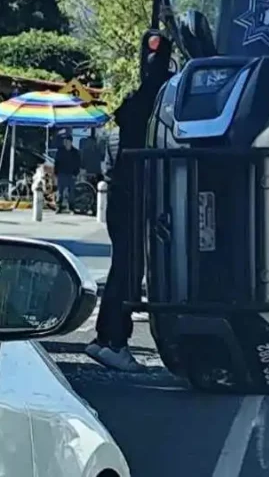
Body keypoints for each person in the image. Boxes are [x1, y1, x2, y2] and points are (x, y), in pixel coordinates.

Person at [86, 64, 170, 372]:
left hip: (121, 196)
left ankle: (107, 339)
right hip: (133, 197)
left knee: (123, 268)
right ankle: (115, 341)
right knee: (128, 270)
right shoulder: (152, 110)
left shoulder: (131, 114)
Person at [53, 136, 81, 214]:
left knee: (71, 192)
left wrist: (76, 173)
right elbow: (56, 163)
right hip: (61, 173)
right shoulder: (60, 151)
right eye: (65, 141)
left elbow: (78, 164)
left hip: (71, 174)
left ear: (71, 142)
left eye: (68, 141)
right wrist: (56, 173)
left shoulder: (75, 152)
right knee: (60, 192)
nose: (66, 143)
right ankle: (59, 207)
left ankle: (71, 208)